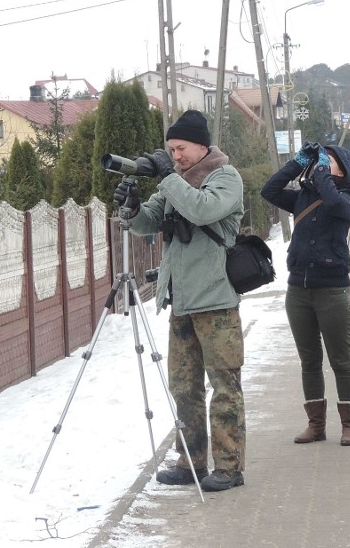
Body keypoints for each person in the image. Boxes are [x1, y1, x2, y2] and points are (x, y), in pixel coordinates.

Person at [113, 109, 246, 492]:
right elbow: (148, 223)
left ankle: (229, 466)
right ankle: (191, 462)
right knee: (184, 388)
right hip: (182, 302)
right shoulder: (177, 182)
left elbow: (203, 210)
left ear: (202, 145)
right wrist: (134, 207)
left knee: (224, 387)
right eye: (171, 150)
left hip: (217, 302)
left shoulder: (225, 178)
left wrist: (169, 178)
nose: (175, 156)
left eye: (181, 148)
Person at [260, 141, 350, 446]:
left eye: (327, 161)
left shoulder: (345, 197)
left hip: (332, 289)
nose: (319, 164)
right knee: (309, 360)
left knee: (341, 359)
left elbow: (333, 205)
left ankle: (349, 425)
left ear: (342, 170)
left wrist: (322, 176)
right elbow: (270, 192)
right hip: (298, 290)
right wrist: (296, 162)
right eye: (318, 160)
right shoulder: (304, 196)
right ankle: (316, 424)